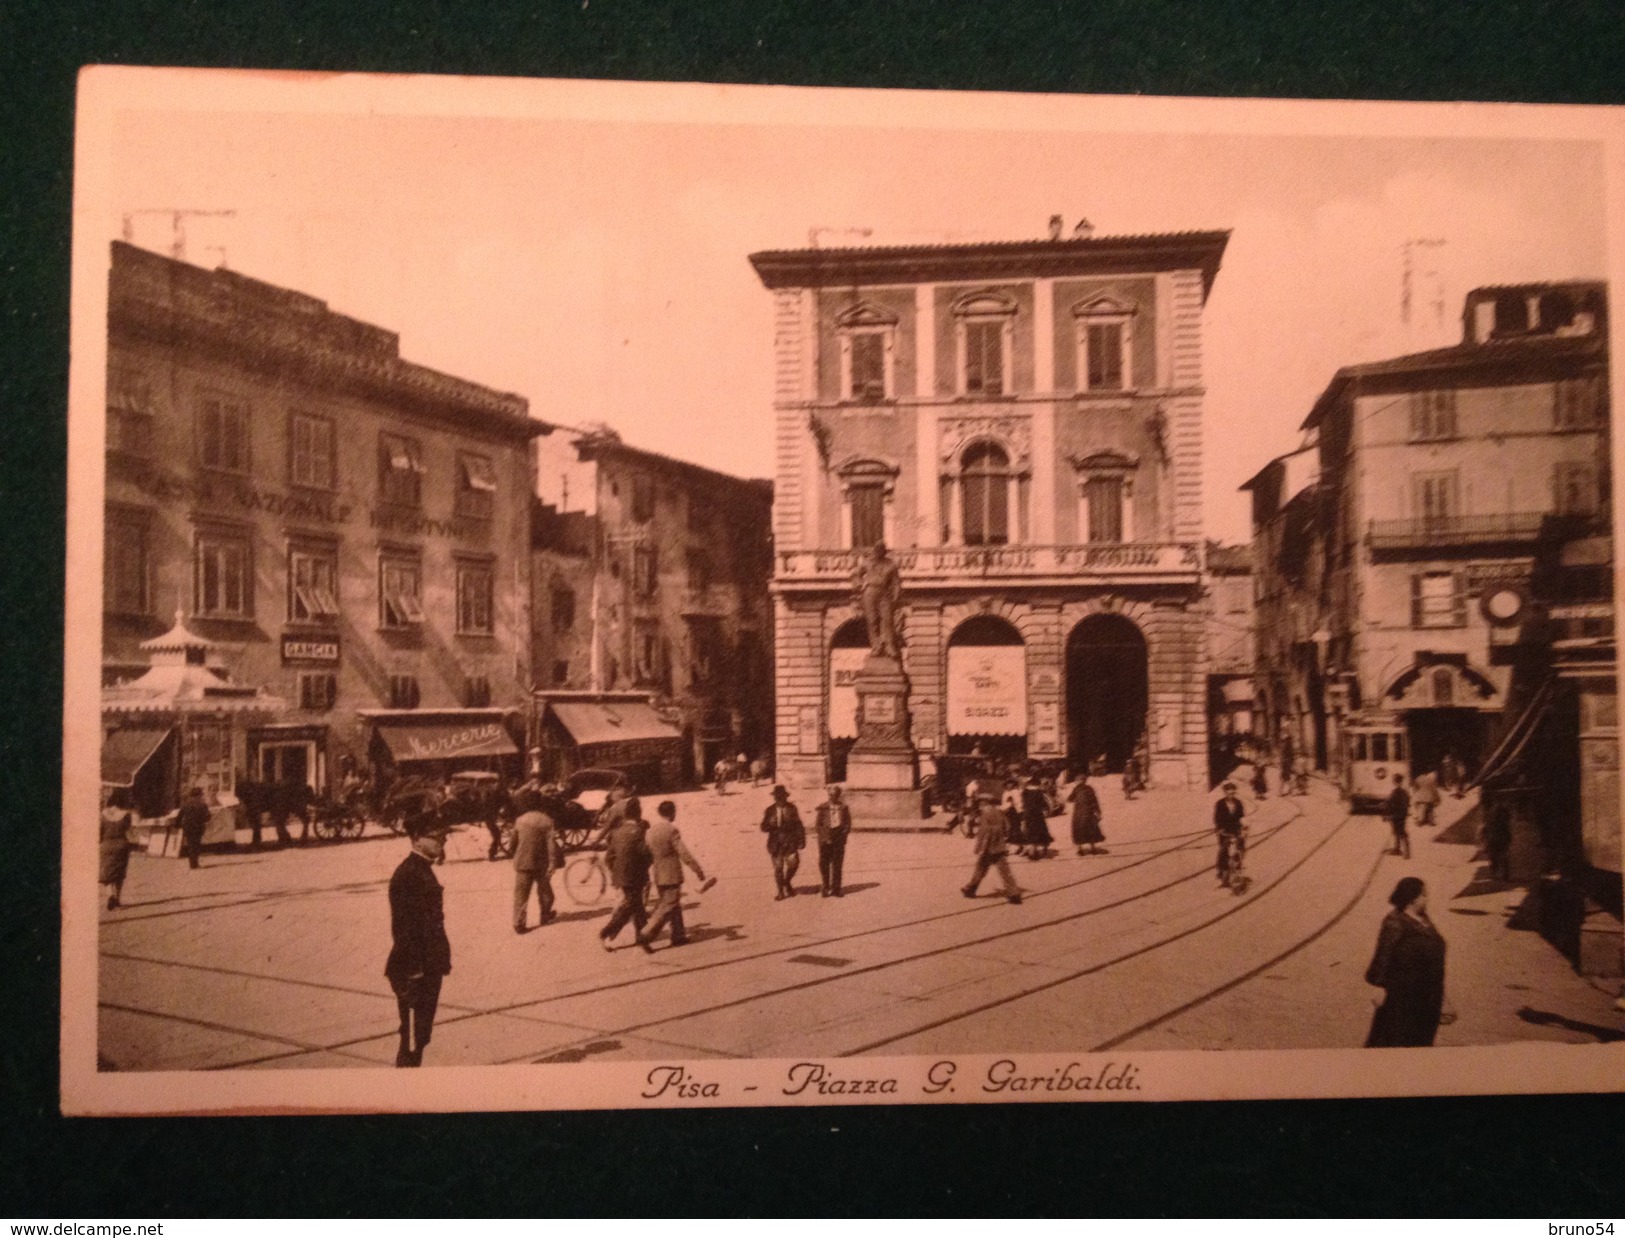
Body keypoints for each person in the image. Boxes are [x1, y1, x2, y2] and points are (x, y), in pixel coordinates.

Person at [385, 815, 453, 1068]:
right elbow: (404, 929)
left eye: (443, 837)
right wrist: (414, 971)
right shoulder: (408, 875)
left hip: (426, 966)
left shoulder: (421, 869)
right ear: (417, 839)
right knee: (413, 1038)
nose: (443, 841)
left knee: (420, 1035)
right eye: (437, 837)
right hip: (415, 970)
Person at [1364, 876, 1451, 1047]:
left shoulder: (1423, 919)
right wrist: (1380, 987)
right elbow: (1383, 955)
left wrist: (1444, 999)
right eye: (1424, 895)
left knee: (1422, 1043)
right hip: (1403, 999)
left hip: (1429, 998)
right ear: (1413, 898)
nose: (1426, 898)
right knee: (1396, 1045)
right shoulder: (1395, 922)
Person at [637, 801, 710, 951]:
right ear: (672, 813)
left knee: (673, 905)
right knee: (668, 905)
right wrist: (698, 870)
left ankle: (678, 935)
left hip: (658, 873)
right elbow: (683, 853)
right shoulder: (671, 830)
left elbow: (646, 854)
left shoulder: (651, 831)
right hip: (671, 874)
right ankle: (646, 933)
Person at [598, 799, 653, 950]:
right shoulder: (639, 832)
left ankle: (642, 937)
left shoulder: (616, 833)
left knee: (638, 906)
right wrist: (646, 867)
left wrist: (616, 871)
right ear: (638, 814)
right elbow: (646, 854)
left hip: (621, 876)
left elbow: (609, 857)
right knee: (631, 905)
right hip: (636, 875)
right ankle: (606, 932)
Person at [511, 787, 560, 933]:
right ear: (540, 803)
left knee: (521, 894)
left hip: (523, 863)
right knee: (546, 892)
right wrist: (552, 863)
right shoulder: (547, 821)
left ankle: (518, 924)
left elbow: (513, 842)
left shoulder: (520, 820)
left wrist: (517, 854)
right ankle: (545, 915)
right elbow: (551, 845)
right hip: (541, 863)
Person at [961, 791, 1023, 904]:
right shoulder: (999, 812)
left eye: (980, 802)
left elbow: (985, 832)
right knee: (1005, 871)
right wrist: (1002, 838)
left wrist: (981, 848)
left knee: (980, 868)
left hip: (988, 847)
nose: (979, 805)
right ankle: (1014, 894)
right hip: (999, 846)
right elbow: (1007, 827)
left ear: (984, 803)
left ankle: (970, 889)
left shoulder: (985, 814)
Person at [852, 541, 904, 658]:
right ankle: (876, 647)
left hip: (885, 593)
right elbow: (855, 574)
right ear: (874, 551)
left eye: (881, 550)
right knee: (872, 620)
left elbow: (896, 582)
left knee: (887, 620)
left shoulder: (891, 565)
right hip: (870, 592)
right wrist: (860, 586)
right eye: (877, 550)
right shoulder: (867, 562)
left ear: (884, 552)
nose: (879, 552)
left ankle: (889, 646)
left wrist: (896, 596)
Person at [761, 784, 807, 899]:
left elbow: (798, 825)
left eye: (782, 797)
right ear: (774, 798)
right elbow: (763, 827)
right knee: (778, 868)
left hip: (790, 842)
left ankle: (787, 881)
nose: (779, 799)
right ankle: (780, 891)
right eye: (777, 797)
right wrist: (769, 824)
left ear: (785, 797)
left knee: (794, 864)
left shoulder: (792, 808)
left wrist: (802, 840)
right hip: (775, 843)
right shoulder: (770, 810)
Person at [813, 784, 853, 897]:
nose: (832, 797)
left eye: (835, 795)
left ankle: (837, 888)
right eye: (830, 795)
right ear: (828, 795)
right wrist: (825, 838)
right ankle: (825, 887)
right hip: (825, 839)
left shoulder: (844, 808)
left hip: (838, 838)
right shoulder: (823, 807)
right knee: (824, 864)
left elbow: (847, 824)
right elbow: (818, 825)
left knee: (837, 864)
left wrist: (842, 835)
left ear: (838, 796)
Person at [99, 787, 135, 909]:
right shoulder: (126, 815)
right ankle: (117, 898)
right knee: (119, 873)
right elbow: (129, 831)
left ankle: (110, 895)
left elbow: (99, 831)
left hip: (106, 845)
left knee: (108, 872)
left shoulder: (103, 814)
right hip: (121, 845)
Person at [1214, 781, 1246, 886]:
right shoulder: (1220, 804)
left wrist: (1244, 828)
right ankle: (1221, 874)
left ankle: (1237, 871)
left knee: (1239, 850)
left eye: (1233, 793)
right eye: (1229, 793)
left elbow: (1242, 817)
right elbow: (1217, 818)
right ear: (1225, 793)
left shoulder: (1238, 803)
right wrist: (1220, 829)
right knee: (1224, 852)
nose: (1231, 795)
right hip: (1224, 831)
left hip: (1236, 830)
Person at [1069, 771, 1105, 856]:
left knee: (1078, 830)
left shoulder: (1076, 789)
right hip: (1089, 813)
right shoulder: (1090, 788)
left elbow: (1069, 799)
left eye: (1077, 780)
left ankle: (1080, 849)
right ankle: (1092, 848)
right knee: (1090, 830)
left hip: (1079, 813)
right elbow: (1095, 801)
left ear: (1078, 781)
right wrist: (1098, 811)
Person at [176, 783, 211, 870]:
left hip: (187, 827)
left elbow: (179, 816)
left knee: (191, 845)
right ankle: (195, 864)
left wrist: (177, 825)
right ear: (199, 795)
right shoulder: (203, 805)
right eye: (201, 794)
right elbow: (207, 818)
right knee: (196, 845)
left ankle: (192, 864)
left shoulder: (185, 804)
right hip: (198, 827)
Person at [1020, 774, 1053, 860]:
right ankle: (1042, 848)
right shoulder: (1038, 792)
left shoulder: (1024, 792)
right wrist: (1046, 809)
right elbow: (1042, 803)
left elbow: (1023, 804)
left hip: (1028, 815)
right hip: (1037, 815)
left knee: (1031, 832)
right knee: (1041, 831)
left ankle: (1032, 852)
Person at [1483, 795, 1513, 883]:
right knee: (1501, 855)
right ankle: (1503, 874)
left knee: (1497, 855)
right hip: (1499, 836)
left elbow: (1486, 825)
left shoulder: (1490, 812)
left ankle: (1500, 873)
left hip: (1496, 836)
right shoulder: (1503, 812)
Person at [1386, 773, 1411, 859]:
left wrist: (1388, 814)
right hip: (1402, 814)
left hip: (1396, 815)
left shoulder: (1395, 792)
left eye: (1394, 781)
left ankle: (1406, 852)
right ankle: (1398, 849)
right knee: (1399, 832)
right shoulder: (1405, 792)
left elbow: (1390, 804)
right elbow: (1408, 802)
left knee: (1400, 833)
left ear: (1395, 782)